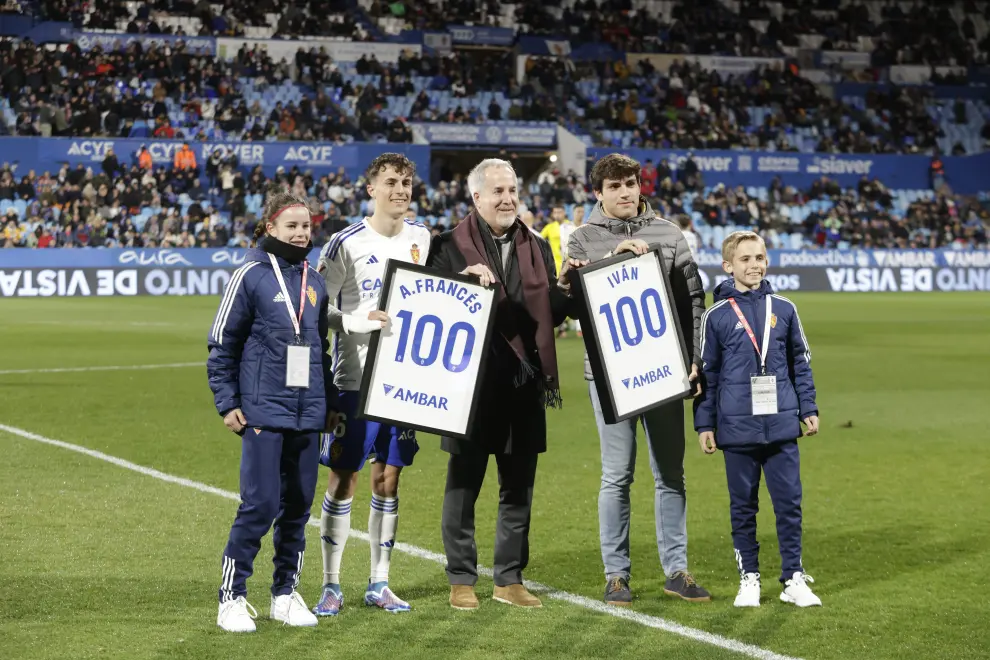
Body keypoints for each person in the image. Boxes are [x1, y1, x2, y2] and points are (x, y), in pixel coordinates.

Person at [427, 158, 582, 611]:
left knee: (518, 488)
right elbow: (430, 301)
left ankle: (509, 579)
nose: (508, 198)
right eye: (497, 191)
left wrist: (568, 290)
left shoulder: (537, 245)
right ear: (476, 197)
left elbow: (546, 310)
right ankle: (461, 578)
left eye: (512, 189)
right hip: (469, 389)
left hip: (523, 384)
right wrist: (460, 281)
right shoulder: (449, 245)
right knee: (463, 486)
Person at [566, 153, 710, 607]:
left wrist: (695, 360)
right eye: (615, 187)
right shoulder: (582, 239)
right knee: (616, 475)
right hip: (608, 375)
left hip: (666, 372)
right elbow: (567, 303)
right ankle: (616, 576)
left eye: (631, 183)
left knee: (671, 474)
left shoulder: (669, 233)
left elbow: (694, 301)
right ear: (598, 193)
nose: (626, 193)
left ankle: (677, 570)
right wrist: (609, 259)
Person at [207, 191, 336, 633]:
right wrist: (227, 402)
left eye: (306, 227)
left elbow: (321, 350)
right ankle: (232, 597)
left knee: (298, 507)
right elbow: (222, 344)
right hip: (263, 409)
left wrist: (330, 406)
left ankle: (284, 593)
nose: (301, 234)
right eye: (292, 226)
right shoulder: (250, 274)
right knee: (260, 505)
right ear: (270, 228)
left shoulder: (314, 282)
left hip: (308, 413)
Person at [313, 153, 432, 616]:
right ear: (371, 189)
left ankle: (379, 583)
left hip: (403, 380)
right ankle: (330, 583)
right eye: (390, 182)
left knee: (388, 479)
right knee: (345, 480)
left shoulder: (422, 237)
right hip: (354, 381)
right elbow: (317, 310)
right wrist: (355, 319)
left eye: (406, 182)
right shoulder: (345, 243)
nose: (400, 190)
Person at [695, 231, 821, 608]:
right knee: (743, 506)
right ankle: (748, 577)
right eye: (746, 259)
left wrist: (809, 408)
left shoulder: (784, 308)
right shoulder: (716, 316)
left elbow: (801, 363)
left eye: (760, 257)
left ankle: (793, 578)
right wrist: (704, 424)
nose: (754, 265)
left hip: (782, 424)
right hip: (736, 428)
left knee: (789, 504)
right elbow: (708, 376)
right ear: (728, 266)